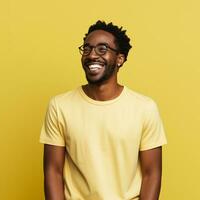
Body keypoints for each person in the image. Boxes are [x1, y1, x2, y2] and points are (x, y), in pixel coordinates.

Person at [39, 20, 167, 200]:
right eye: (87, 48)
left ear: (120, 59)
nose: (92, 55)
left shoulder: (144, 108)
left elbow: (151, 173)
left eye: (102, 49)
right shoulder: (60, 106)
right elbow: (53, 171)